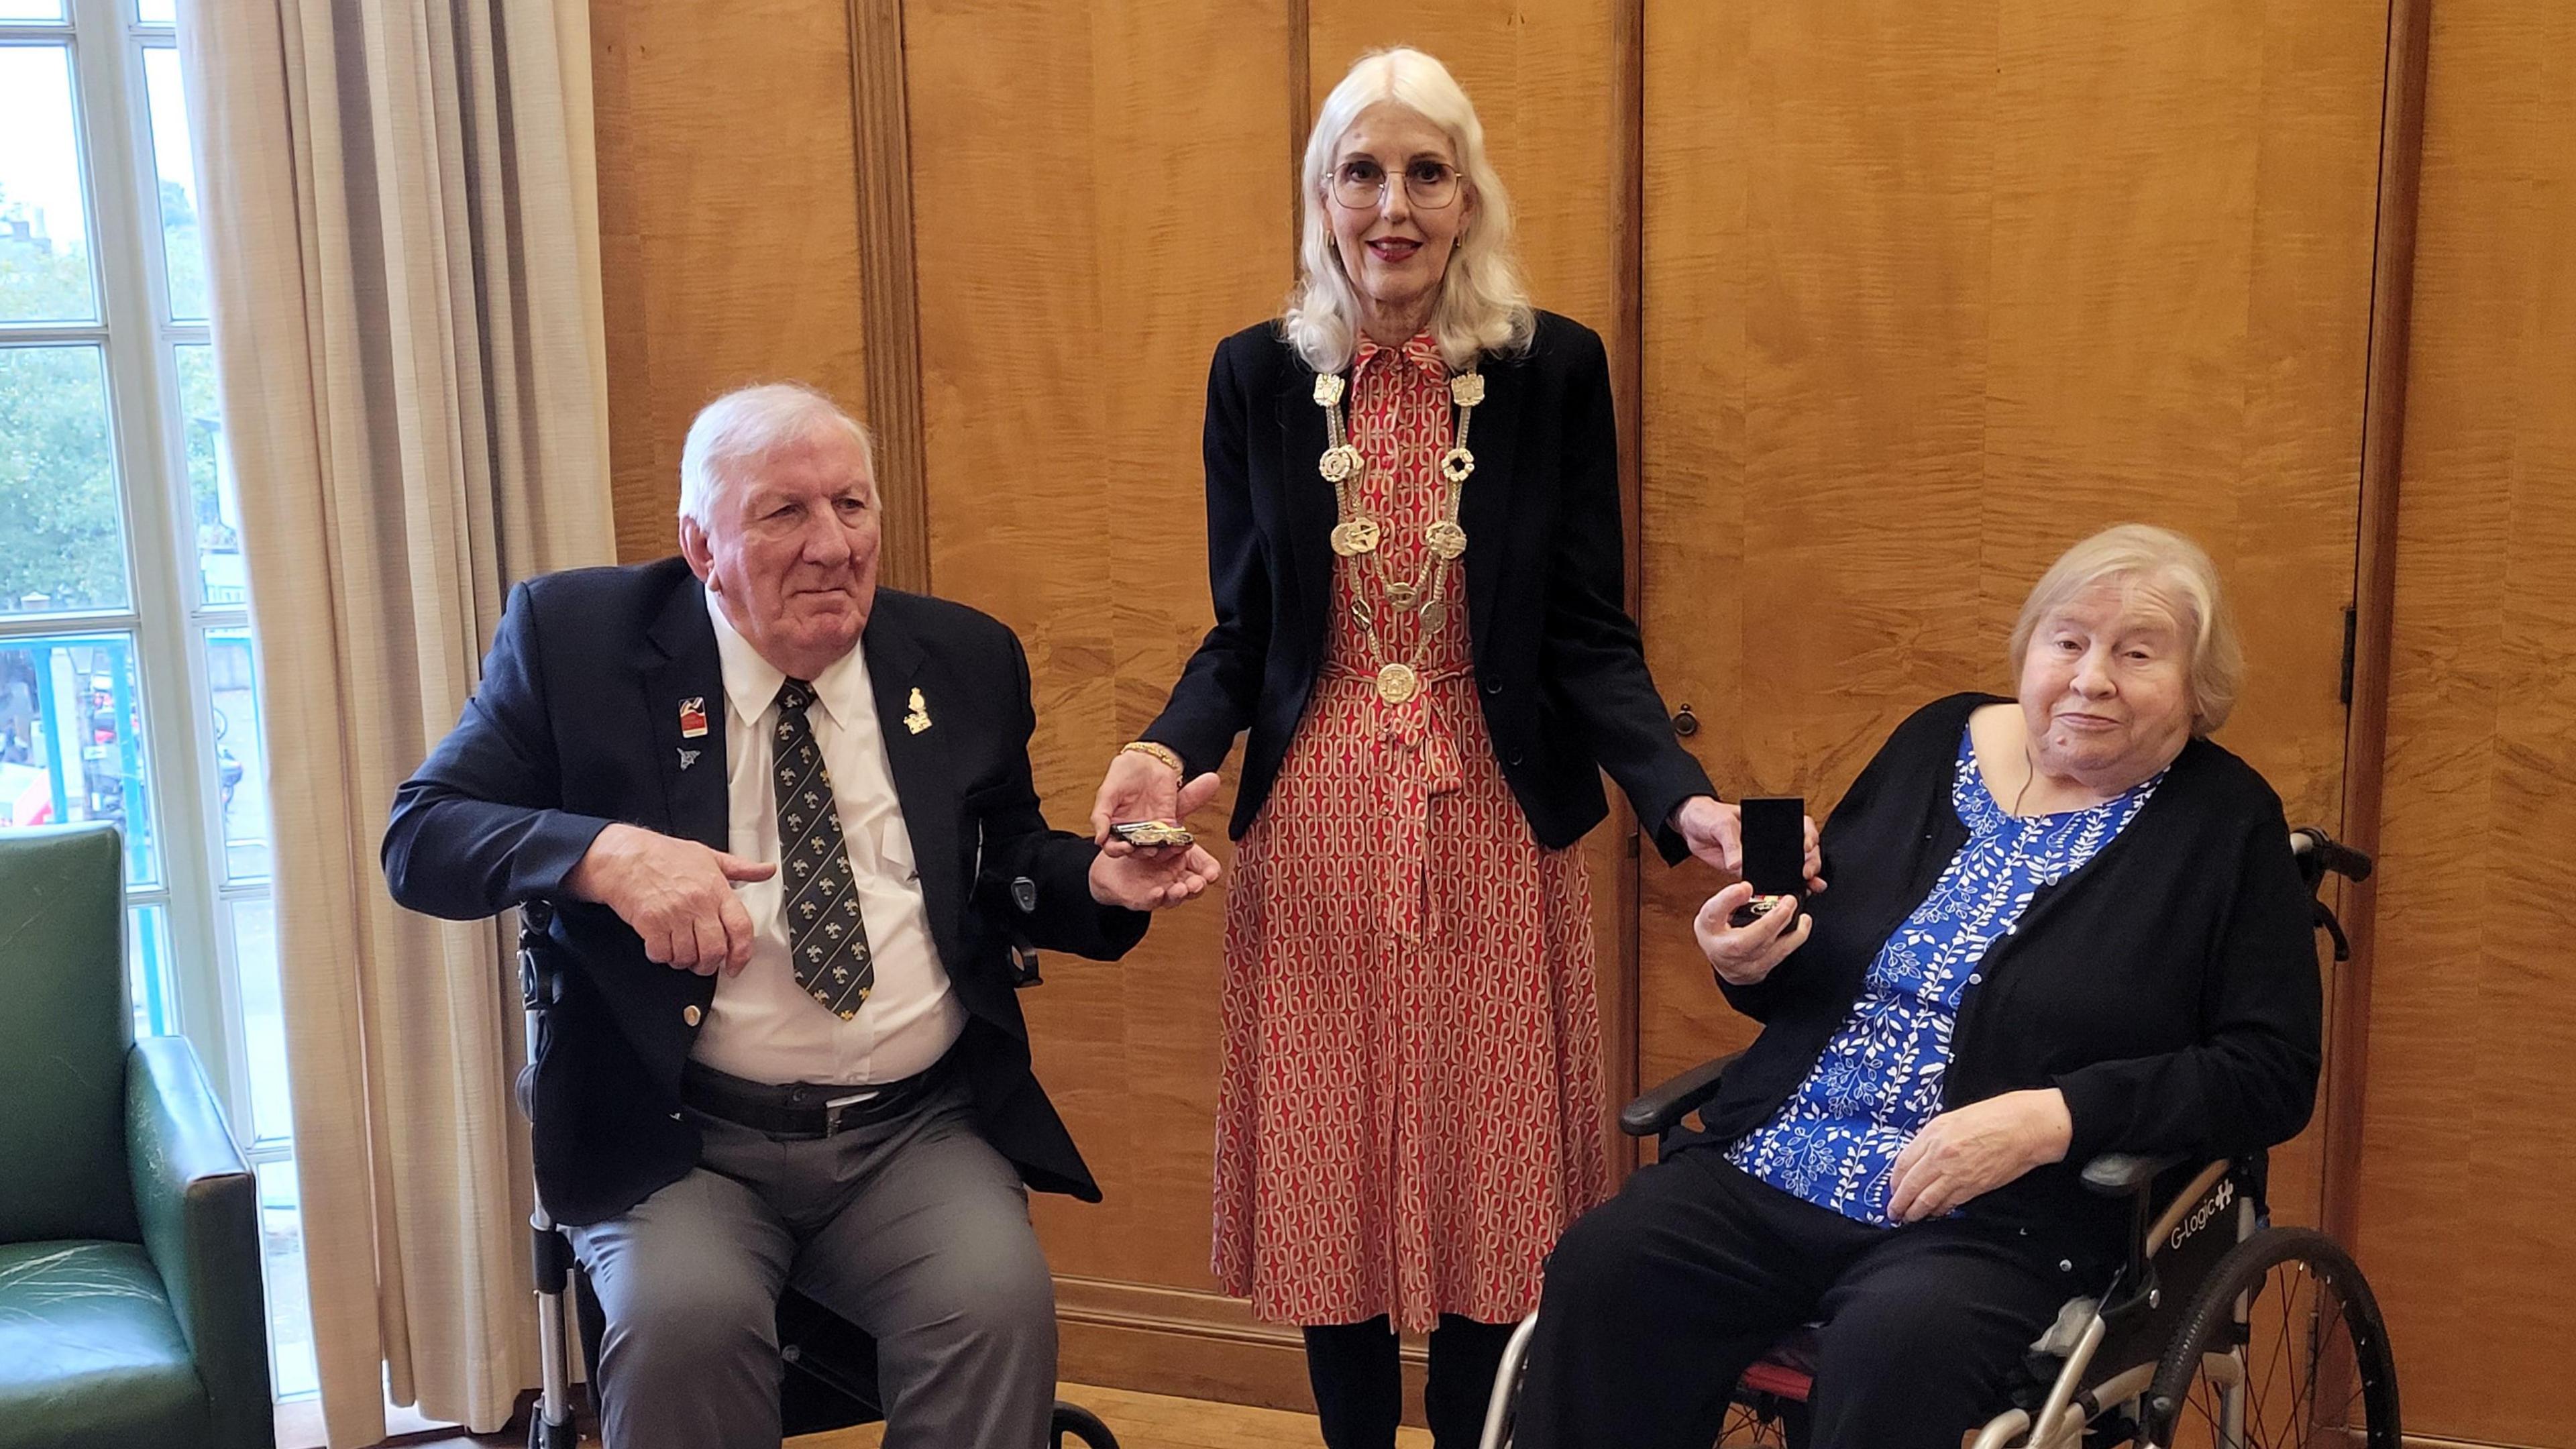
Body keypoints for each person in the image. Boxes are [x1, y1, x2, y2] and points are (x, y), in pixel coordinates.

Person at [1087, 48, 1811, 1449]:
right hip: (1315, 832)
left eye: (1427, 172)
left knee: (1496, 1186)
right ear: (1323, 196)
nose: (1394, 205)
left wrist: (1686, 801)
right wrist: (1162, 750)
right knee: (1334, 1188)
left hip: (1495, 819)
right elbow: (1243, 636)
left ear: (1469, 196)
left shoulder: (1553, 372)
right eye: (1363, 171)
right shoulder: (1257, 376)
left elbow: (1590, 636)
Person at [382, 383, 1218, 1449]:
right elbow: (424, 837)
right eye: (786, 513)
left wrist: (1097, 884)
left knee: (996, 1307)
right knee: (685, 1324)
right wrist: (607, 855)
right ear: (701, 544)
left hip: (912, 1128)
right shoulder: (578, 644)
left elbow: (1003, 859)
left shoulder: (961, 659)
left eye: (853, 507)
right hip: (679, 1137)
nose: (833, 546)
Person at [1511, 523, 2324, 1449]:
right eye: (2068, 642)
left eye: (2138, 654)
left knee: (1898, 1346)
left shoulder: (2226, 826)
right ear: (2029, 652)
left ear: (2198, 690)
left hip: (1995, 1218)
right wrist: (1748, 961)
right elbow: (1827, 967)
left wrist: (2052, 1118)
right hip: (1782, 1163)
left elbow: (2270, 1071)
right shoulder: (1938, 740)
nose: (2092, 677)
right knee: (1609, 1267)